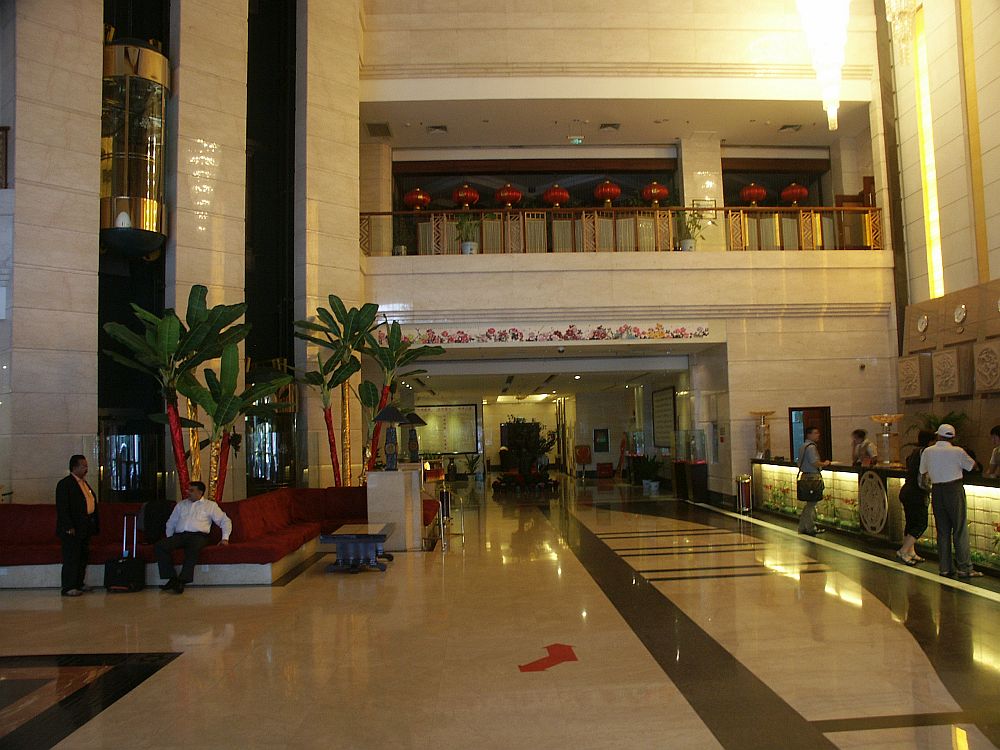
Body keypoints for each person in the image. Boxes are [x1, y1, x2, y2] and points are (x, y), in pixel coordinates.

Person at [918, 424, 982, 579]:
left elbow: (922, 472)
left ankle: (945, 568)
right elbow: (973, 466)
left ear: (938, 436)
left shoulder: (928, 451)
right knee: (959, 529)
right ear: (952, 437)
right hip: (954, 489)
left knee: (943, 531)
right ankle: (964, 568)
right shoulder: (958, 451)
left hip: (937, 490)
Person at [155, 481, 232, 594]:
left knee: (193, 548)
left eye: (191, 490)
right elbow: (171, 523)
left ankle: (182, 580)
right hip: (180, 536)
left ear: (200, 492)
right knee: (160, 546)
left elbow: (225, 521)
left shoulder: (210, 505)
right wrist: (170, 538)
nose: (188, 492)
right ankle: (172, 578)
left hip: (199, 536)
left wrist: (225, 538)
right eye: (188, 490)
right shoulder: (181, 505)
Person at [55, 455, 99, 597]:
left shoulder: (84, 483)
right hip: (72, 528)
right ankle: (68, 586)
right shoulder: (65, 484)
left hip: (85, 527)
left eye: (86, 466)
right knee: (71, 557)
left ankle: (79, 582)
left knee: (82, 556)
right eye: (83, 466)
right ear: (74, 467)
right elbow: (62, 508)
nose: (86, 469)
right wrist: (68, 526)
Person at [896, 429, 934, 565]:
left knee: (911, 522)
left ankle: (911, 551)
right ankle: (903, 550)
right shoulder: (926, 453)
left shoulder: (914, 452)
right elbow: (925, 476)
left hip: (907, 490)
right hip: (917, 493)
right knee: (921, 523)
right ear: (930, 441)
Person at [797, 426, 830, 536]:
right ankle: (810, 528)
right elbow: (814, 462)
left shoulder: (803, 446)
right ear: (809, 434)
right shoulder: (811, 447)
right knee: (811, 504)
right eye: (815, 433)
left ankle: (803, 527)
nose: (818, 435)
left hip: (805, 477)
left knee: (809, 504)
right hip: (812, 478)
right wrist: (824, 464)